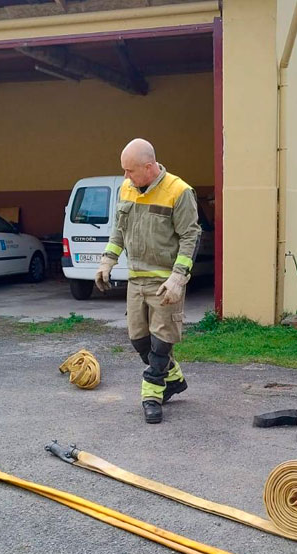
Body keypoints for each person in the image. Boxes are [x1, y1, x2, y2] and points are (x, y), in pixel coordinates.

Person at [95, 138, 201, 424]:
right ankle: (175, 379)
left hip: (166, 282)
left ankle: (152, 394)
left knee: (162, 341)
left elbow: (191, 236)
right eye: (124, 171)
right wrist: (108, 260)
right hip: (136, 281)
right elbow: (119, 229)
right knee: (139, 339)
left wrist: (179, 278)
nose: (126, 177)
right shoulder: (127, 189)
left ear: (149, 166)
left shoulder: (179, 192)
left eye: (130, 171)